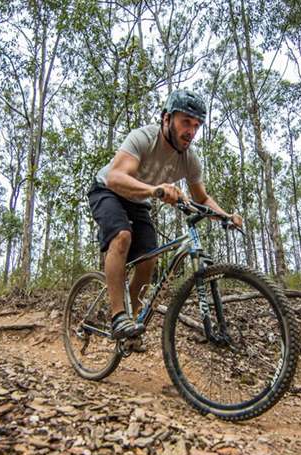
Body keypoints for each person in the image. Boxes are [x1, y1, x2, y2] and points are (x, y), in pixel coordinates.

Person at [88, 89, 243, 345]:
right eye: (185, 122)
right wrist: (154, 190)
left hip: (138, 199)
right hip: (108, 190)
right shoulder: (143, 138)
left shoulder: (190, 159)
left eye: (196, 125)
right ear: (166, 119)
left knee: (148, 260)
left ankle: (130, 327)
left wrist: (225, 215)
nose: (191, 131)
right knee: (122, 236)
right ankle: (117, 316)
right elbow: (116, 177)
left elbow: (202, 199)